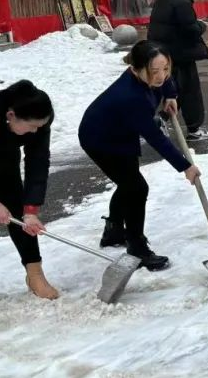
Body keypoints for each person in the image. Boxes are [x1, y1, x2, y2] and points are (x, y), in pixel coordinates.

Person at [80, 40, 201, 271]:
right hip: (100, 139)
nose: (161, 75)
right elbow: (155, 137)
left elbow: (165, 81)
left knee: (128, 182)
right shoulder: (130, 97)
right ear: (135, 68)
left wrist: (171, 94)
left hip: (121, 131)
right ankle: (137, 248)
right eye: (154, 71)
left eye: (165, 68)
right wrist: (185, 166)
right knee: (136, 187)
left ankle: (114, 231)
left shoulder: (151, 76)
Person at [0, 81, 59, 299]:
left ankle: (35, 275)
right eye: (32, 126)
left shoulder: (40, 116)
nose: (36, 131)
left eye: (40, 126)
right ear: (11, 115)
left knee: (16, 203)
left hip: (5, 154)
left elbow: (38, 161)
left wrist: (31, 210)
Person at [147, 0, 208, 142]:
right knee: (190, 92)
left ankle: (161, 118)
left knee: (175, 90)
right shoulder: (182, 2)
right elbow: (190, 29)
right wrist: (202, 26)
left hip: (163, 54)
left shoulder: (163, 0)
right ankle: (194, 129)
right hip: (181, 54)